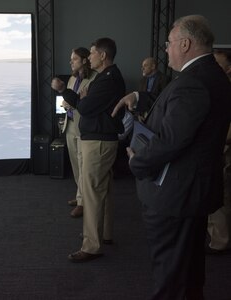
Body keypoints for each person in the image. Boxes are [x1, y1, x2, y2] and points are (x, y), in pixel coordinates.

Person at [111, 15, 231, 299]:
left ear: (186, 43)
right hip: (194, 192)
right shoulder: (211, 76)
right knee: (189, 274)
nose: (166, 49)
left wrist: (135, 162)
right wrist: (140, 98)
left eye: (169, 43)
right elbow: (179, 112)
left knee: (171, 278)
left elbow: (171, 140)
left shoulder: (193, 82)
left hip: (176, 195)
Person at [52, 37, 125, 262]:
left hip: (99, 141)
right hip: (101, 139)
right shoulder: (106, 77)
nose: (89, 57)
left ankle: (92, 245)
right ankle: (104, 233)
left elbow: (86, 106)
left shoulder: (107, 80)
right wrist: (77, 96)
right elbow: (85, 103)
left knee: (92, 193)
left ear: (102, 56)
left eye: (92, 53)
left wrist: (78, 97)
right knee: (102, 189)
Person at [56, 47, 97, 218]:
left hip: (83, 126)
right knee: (75, 164)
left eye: (74, 59)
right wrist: (67, 103)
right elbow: (72, 98)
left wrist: (74, 102)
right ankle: (80, 196)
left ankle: (83, 202)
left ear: (84, 60)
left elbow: (86, 103)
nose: (70, 62)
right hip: (70, 124)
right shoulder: (73, 78)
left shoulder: (95, 79)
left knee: (83, 165)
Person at [206, 49, 231, 254]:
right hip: (219, 148)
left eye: (217, 64)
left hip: (224, 148)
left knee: (221, 195)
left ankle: (220, 241)